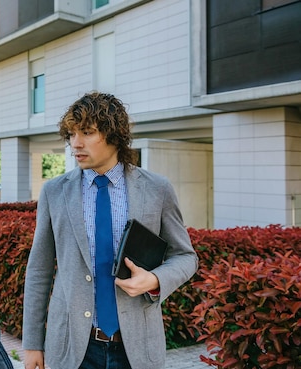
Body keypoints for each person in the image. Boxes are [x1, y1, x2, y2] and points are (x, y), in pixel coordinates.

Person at [22, 92, 198, 369]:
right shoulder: (54, 192)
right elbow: (38, 270)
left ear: (114, 135)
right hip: (72, 348)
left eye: (87, 132)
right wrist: (32, 343)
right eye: (71, 134)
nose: (75, 143)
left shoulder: (156, 189)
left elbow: (186, 257)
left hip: (136, 348)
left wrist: (154, 280)